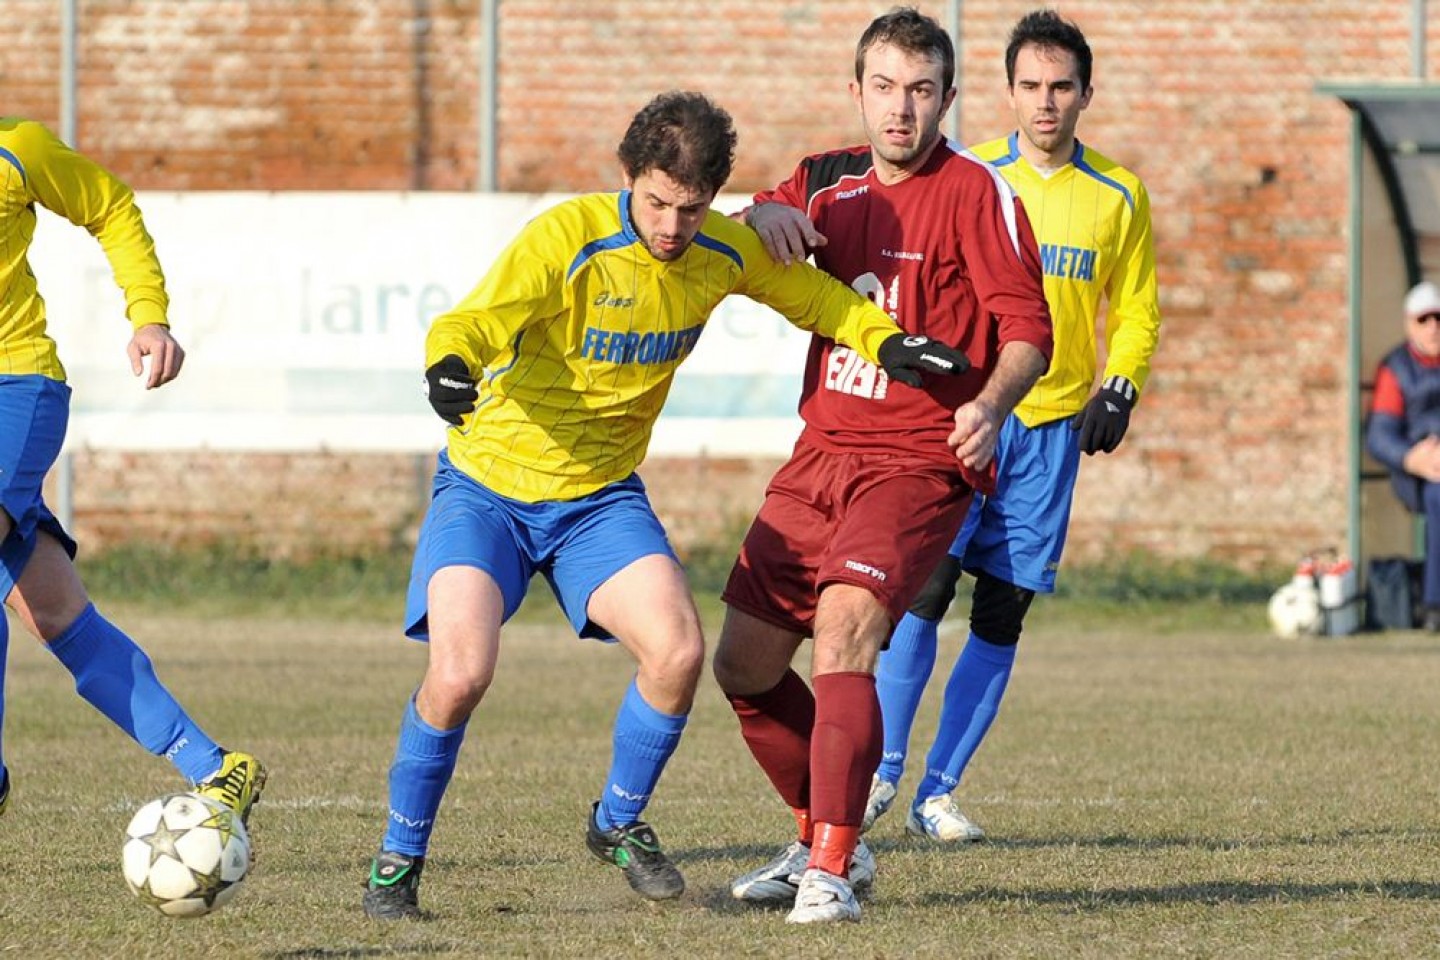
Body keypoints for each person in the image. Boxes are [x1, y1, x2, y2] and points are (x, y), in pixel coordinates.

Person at [358, 89, 968, 921]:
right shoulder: (568, 238)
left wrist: (883, 339)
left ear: (712, 197)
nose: (672, 227)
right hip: (489, 490)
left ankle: (616, 821)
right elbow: (472, 320)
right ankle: (398, 861)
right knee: (461, 673)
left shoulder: (721, 248)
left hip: (599, 502)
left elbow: (816, 300)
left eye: (691, 208)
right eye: (656, 202)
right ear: (628, 179)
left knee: (679, 653)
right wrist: (449, 365)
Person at [713, 8, 1054, 925]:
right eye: (885, 87)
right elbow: (754, 227)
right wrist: (767, 213)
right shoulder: (825, 181)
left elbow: (1030, 334)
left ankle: (830, 870)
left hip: (918, 461)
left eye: (921, 90)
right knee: (742, 666)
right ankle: (825, 838)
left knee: (845, 635)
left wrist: (988, 404)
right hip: (821, 452)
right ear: (856, 89)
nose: (901, 109)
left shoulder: (980, 192)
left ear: (948, 97)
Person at [866, 8, 1162, 843]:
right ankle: (881, 773)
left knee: (1002, 613)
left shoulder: (1118, 195)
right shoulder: (968, 174)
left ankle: (938, 791)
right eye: (1030, 86)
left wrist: (1122, 386)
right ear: (1006, 91)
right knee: (921, 594)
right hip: (965, 416)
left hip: (1052, 430)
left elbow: (1135, 309)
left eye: (1061, 87)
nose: (1045, 103)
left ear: (1085, 95)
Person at [0, 118, 266, 823]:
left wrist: (149, 316)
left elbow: (111, 206)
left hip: (15, 389)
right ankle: (215, 768)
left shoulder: (17, 149)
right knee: (51, 611)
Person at [1366, 279, 1440, 631]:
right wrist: (1412, 458)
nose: (1433, 327)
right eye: (1424, 320)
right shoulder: (1395, 369)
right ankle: (1434, 603)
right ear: (1409, 323)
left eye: (1439, 318)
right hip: (1417, 474)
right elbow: (1380, 435)